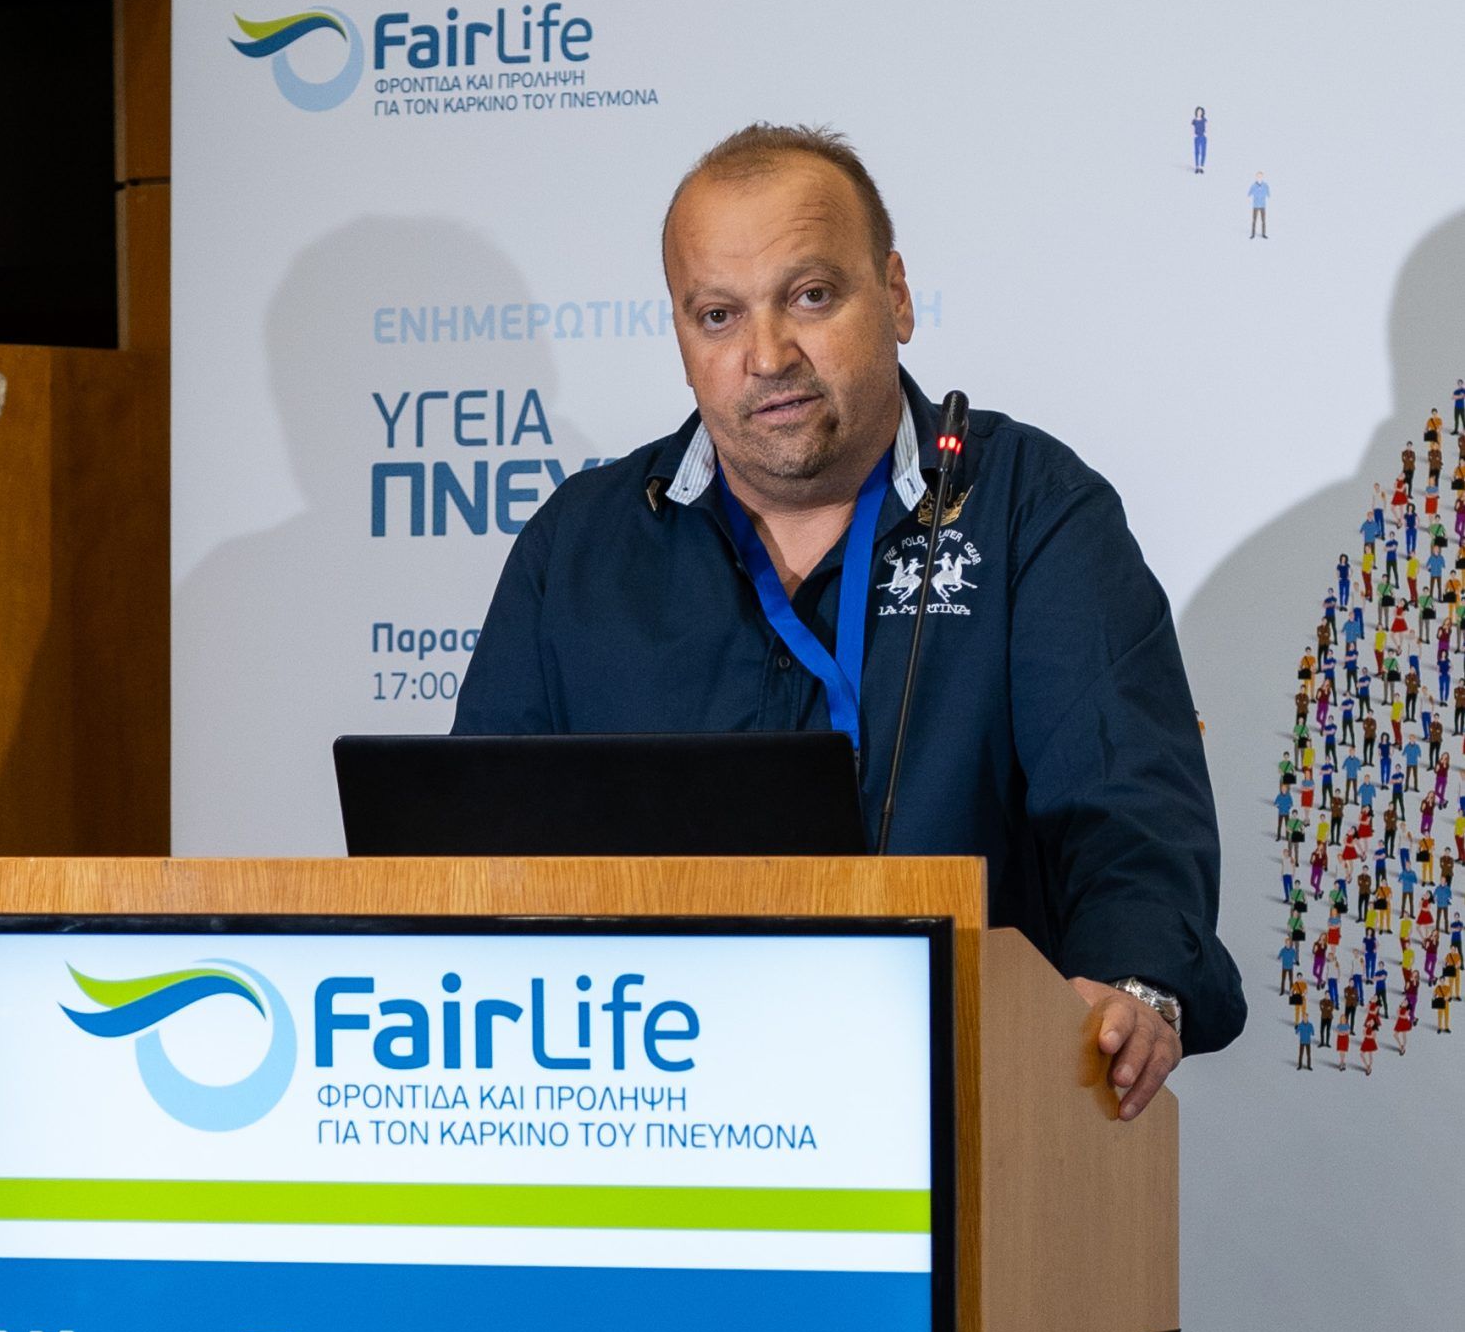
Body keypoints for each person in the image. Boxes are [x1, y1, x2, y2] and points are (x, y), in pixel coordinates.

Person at [456, 122, 1245, 1116]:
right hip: (642, 1109)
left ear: (896, 295)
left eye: (810, 296)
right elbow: (468, 857)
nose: (766, 355)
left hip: (960, 1108)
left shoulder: (1030, 508)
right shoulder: (579, 546)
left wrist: (1132, 985)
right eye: (718, 315)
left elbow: (1125, 808)